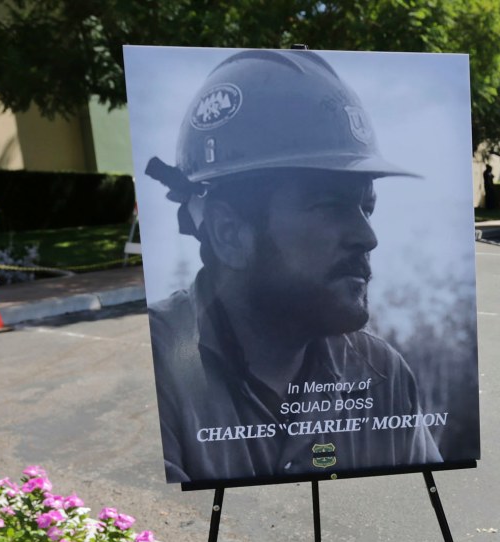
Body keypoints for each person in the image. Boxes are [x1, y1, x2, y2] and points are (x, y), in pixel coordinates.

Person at [143, 49, 442, 484]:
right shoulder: (160, 366)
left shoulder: (382, 373)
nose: (367, 237)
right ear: (229, 233)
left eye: (366, 208)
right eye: (330, 206)